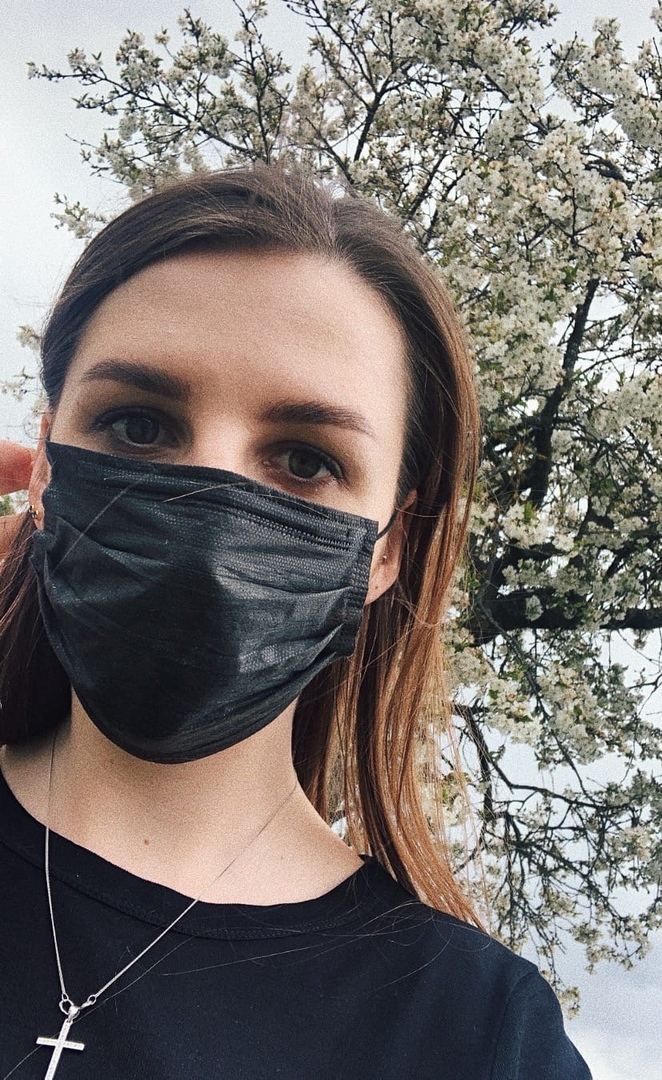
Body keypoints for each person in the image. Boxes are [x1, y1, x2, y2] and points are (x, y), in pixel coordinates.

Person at [0, 164, 591, 1079]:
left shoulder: (476, 1037)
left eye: (306, 460)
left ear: (389, 550)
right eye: (139, 426)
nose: (208, 519)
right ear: (44, 469)